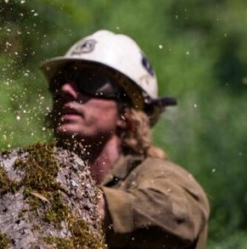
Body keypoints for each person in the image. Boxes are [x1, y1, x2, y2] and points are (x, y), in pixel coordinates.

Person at [40, 29, 209, 249]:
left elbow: (181, 215)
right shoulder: (45, 177)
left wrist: (96, 207)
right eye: (60, 81)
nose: (65, 90)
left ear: (126, 113)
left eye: (90, 80)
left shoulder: (156, 173)